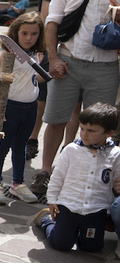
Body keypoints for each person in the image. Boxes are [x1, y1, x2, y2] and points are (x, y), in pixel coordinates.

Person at [30, 0, 120, 198]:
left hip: (106, 66)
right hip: (68, 63)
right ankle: (45, 172)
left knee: (99, 127)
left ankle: (87, 182)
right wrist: (54, 59)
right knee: (55, 120)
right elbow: (51, 23)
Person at [33, 103, 120, 252]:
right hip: (69, 206)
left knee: (91, 248)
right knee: (60, 244)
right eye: (82, 128)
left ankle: (79, 232)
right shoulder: (71, 150)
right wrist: (52, 200)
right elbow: (57, 176)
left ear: (109, 133)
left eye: (91, 130)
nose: (84, 134)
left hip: (97, 209)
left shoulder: (116, 154)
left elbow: (116, 183)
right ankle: (47, 222)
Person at [27, 0, 83, 162]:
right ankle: (32, 140)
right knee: (41, 101)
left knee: (74, 106)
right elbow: (44, 18)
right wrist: (43, 51)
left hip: (78, 53)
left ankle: (67, 150)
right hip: (53, 50)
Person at [0, 13, 45, 205]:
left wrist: (53, 72)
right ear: (16, 33)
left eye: (34, 34)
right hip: (10, 107)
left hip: (30, 108)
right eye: (25, 33)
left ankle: (18, 183)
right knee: (2, 147)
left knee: (20, 146)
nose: (29, 38)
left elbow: (35, 78)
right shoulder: (8, 55)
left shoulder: (37, 55)